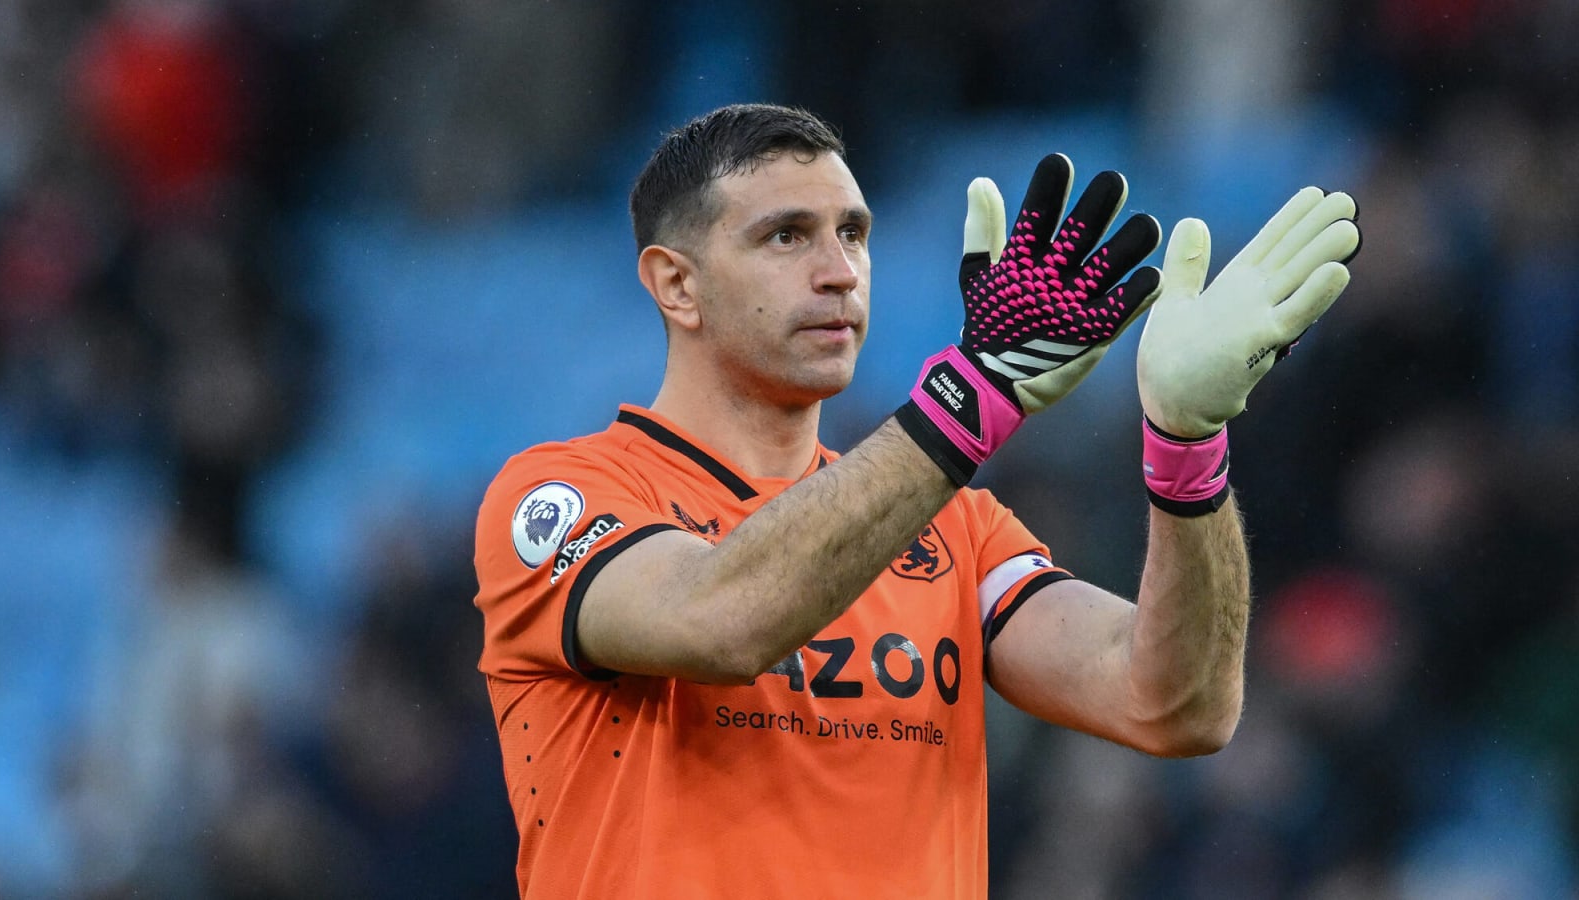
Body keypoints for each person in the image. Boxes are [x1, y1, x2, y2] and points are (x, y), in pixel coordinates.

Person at [473, 102, 1360, 898]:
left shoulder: (954, 527)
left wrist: (1187, 446)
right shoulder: (562, 494)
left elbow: (1178, 705)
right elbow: (721, 620)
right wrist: (976, 392)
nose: (839, 272)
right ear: (676, 283)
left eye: (853, 234)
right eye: (786, 237)